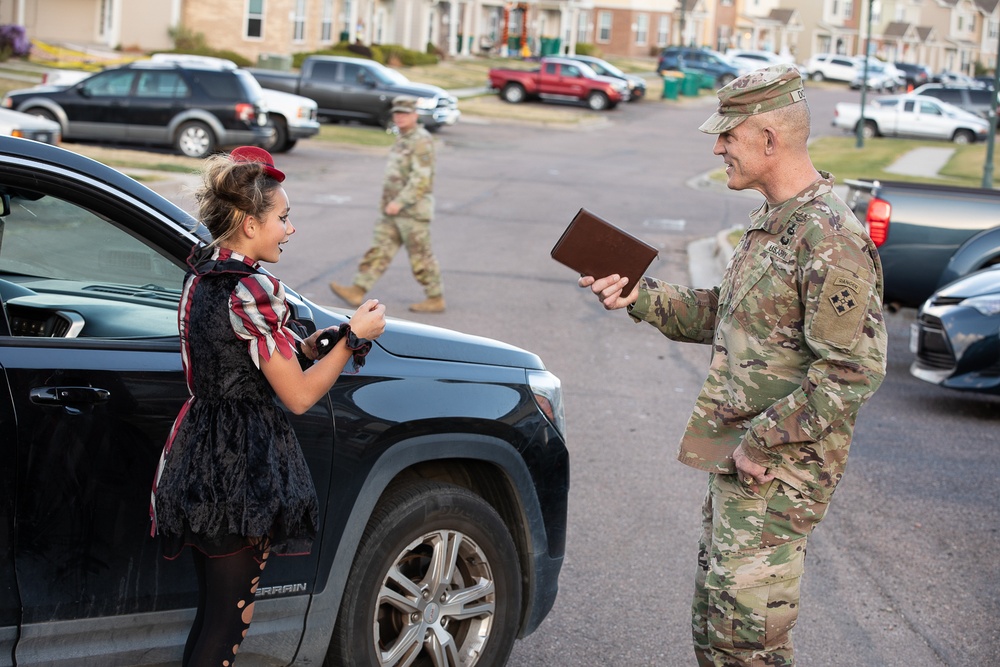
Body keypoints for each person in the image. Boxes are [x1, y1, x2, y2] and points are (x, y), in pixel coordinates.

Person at [579, 64, 888, 666]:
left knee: (745, 646)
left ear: (770, 140)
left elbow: (854, 369)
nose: (718, 145)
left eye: (729, 134)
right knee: (720, 630)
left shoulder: (828, 236)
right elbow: (731, 317)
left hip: (778, 474)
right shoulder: (774, 223)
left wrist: (762, 443)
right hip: (747, 462)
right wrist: (639, 296)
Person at [150, 145, 386, 666]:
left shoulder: (205, 274)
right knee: (227, 625)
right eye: (282, 218)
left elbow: (231, 358)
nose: (290, 229)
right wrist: (352, 339)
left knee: (214, 616)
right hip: (241, 462)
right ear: (248, 224)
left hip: (200, 450)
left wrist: (304, 348)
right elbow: (298, 396)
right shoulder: (253, 287)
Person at [330, 95, 445, 313]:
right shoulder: (403, 137)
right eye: (397, 113)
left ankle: (435, 297)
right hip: (393, 209)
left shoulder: (421, 140)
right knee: (379, 250)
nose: (399, 117)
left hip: (411, 211)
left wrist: (400, 202)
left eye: (405, 113)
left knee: (421, 255)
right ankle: (358, 289)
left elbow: (421, 179)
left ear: (415, 115)